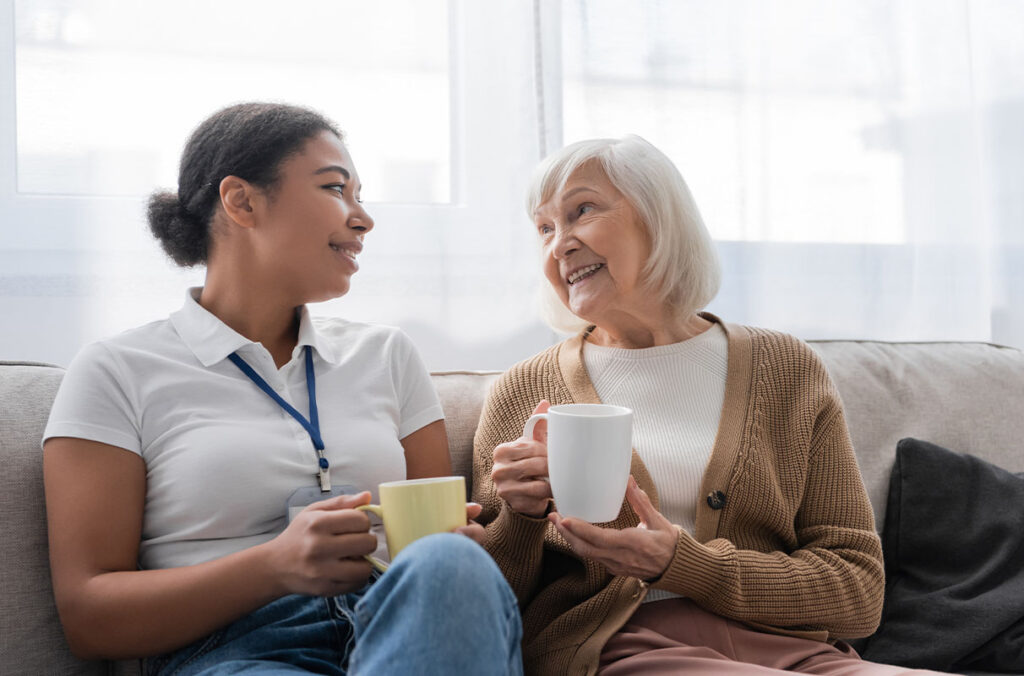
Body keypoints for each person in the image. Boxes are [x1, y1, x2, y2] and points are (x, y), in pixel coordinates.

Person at [43, 102, 522, 675]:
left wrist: (476, 535)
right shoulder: (116, 370)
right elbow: (89, 618)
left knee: (449, 563)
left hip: (401, 627)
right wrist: (273, 566)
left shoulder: (387, 355)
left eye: (361, 196)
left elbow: (441, 544)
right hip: (238, 650)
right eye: (335, 188)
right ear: (242, 201)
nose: (363, 218)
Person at [472, 135, 942, 675]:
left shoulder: (785, 368)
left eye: (582, 211)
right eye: (545, 229)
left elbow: (858, 593)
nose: (559, 245)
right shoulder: (526, 390)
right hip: (620, 651)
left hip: (797, 653)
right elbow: (483, 606)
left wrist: (683, 563)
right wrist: (520, 517)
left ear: (659, 217)